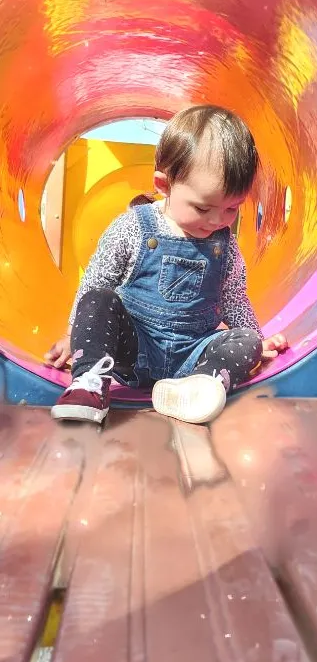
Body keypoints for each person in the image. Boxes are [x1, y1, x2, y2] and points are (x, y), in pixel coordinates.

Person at [45, 105, 288, 425]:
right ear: (164, 184)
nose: (217, 221)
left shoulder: (224, 245)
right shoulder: (133, 227)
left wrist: (258, 336)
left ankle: (200, 387)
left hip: (192, 355)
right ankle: (90, 383)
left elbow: (233, 296)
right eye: (203, 208)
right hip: (132, 352)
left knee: (246, 342)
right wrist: (74, 336)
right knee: (99, 298)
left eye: (232, 209)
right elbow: (96, 279)